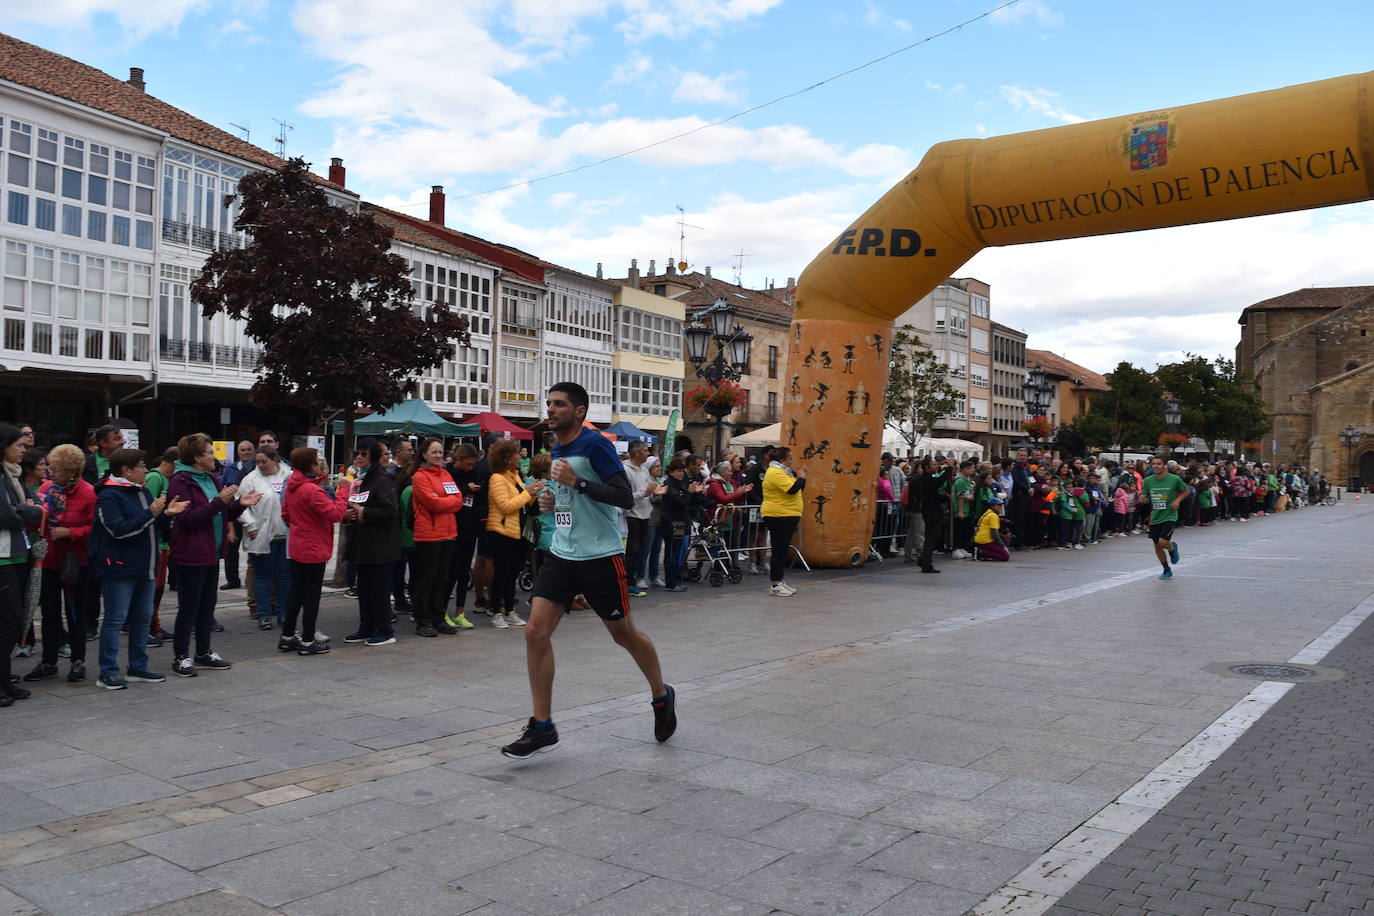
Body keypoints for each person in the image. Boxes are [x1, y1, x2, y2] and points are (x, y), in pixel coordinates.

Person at [501, 382, 674, 759]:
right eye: (549, 403)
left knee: (624, 635)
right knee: (534, 632)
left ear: (579, 411)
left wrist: (576, 482)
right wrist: (553, 500)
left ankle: (661, 696)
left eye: (559, 404)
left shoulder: (595, 445)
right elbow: (569, 496)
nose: (550, 409)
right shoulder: (556, 446)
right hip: (562, 553)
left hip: (600, 556)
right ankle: (542, 726)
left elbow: (623, 497)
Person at [90, 449, 187, 690]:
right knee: (115, 619)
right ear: (126, 470)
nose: (145, 470)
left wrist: (167, 514)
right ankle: (107, 672)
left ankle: (137, 666)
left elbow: (151, 524)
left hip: (145, 566)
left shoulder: (141, 491)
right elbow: (119, 529)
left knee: (142, 619)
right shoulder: (108, 495)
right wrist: (150, 513)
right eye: (141, 466)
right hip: (119, 567)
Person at [166, 433, 261, 677]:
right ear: (197, 457)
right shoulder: (181, 482)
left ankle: (203, 652)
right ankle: (181, 656)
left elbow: (222, 511)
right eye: (209, 452)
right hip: (190, 553)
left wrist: (240, 504)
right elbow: (187, 519)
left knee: (207, 606)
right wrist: (219, 502)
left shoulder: (211, 478)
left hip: (211, 552)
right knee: (189, 607)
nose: (213, 456)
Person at [25, 444, 95, 684]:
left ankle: (78, 660)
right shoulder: (46, 489)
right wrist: (32, 514)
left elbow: (94, 528)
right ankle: (49, 661)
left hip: (75, 560)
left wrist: (71, 532)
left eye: (56, 469)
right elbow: (35, 523)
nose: (50, 473)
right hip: (49, 559)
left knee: (75, 612)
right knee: (49, 613)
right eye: (51, 468)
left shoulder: (87, 492)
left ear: (72, 471)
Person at [278, 447, 349, 655]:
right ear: (310, 465)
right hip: (313, 547)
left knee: (297, 593)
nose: (320, 464)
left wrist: (302, 523)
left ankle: (287, 636)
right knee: (311, 595)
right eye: (317, 461)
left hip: (298, 545)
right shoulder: (311, 490)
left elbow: (285, 515)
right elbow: (335, 514)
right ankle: (308, 640)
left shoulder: (292, 486)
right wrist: (344, 490)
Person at [1, 424, 45, 706]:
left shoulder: (13, 476)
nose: (23, 450)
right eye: (18, 445)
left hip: (18, 553)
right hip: (3, 556)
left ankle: (5, 680)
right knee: (10, 621)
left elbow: (33, 508)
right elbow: (5, 516)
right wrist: (26, 512)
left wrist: (24, 510)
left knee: (13, 621)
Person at [342, 439, 400, 647]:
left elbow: (390, 510)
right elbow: (356, 506)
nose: (358, 457)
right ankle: (366, 628)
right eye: (357, 453)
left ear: (373, 456)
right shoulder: (361, 479)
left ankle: (385, 630)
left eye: (363, 454)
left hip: (380, 545)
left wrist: (363, 512)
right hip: (363, 544)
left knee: (379, 590)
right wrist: (349, 514)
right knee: (365, 589)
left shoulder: (381, 480)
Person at [486, 438, 544, 628]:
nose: (519, 456)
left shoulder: (515, 476)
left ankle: (510, 610)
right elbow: (506, 506)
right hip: (502, 532)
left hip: (518, 531)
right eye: (516, 454)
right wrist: (527, 493)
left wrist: (533, 493)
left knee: (512, 573)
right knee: (501, 573)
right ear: (507, 458)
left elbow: (523, 502)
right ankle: (496, 612)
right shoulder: (497, 478)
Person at [409, 438, 464, 637]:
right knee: (427, 579)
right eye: (434, 452)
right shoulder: (419, 477)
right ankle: (422, 620)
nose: (438, 455)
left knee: (442, 578)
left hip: (448, 533)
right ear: (424, 454)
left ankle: (438, 618)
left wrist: (442, 500)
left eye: (440, 452)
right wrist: (448, 502)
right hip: (429, 535)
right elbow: (432, 503)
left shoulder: (446, 474)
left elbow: (459, 500)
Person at [237, 447, 292, 630]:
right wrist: (250, 525)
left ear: (274, 460)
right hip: (261, 536)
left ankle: (284, 613)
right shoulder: (250, 479)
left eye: (264, 461)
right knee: (262, 577)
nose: (260, 465)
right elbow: (240, 505)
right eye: (258, 462)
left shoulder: (289, 475)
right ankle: (264, 614)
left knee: (284, 577)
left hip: (285, 535)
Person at [443, 443, 483, 631]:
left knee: (463, 572)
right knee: (450, 572)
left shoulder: (474, 473)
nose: (470, 467)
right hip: (452, 529)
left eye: (473, 464)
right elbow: (448, 495)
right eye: (468, 464)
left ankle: (460, 612)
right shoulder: (448, 473)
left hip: (470, 527)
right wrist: (466, 489)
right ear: (458, 459)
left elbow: (480, 497)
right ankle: (442, 611)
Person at [143, 447, 179, 641]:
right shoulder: (155, 478)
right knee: (154, 587)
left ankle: (152, 624)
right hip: (155, 542)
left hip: (163, 542)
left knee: (158, 586)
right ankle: (150, 626)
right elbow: (148, 510)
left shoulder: (167, 479)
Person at [760, 446, 805, 595]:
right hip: (778, 515)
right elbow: (792, 489)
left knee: (782, 551)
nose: (792, 461)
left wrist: (801, 478)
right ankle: (775, 584)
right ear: (782, 460)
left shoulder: (785, 472)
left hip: (786, 515)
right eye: (790, 458)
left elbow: (799, 489)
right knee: (779, 551)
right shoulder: (775, 472)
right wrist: (801, 476)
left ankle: (779, 580)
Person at [1140, 456, 1188, 580]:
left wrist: (1177, 500)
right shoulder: (1148, 480)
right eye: (1154, 464)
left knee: (1163, 542)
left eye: (1159, 464)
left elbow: (1186, 491)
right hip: (1155, 516)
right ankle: (1166, 569)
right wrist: (1143, 499)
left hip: (1169, 515)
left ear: (1165, 465)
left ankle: (1172, 548)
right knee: (1157, 545)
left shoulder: (1174, 479)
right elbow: (1144, 496)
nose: (1156, 466)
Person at [657, 458, 699, 593]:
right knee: (671, 553)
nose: (681, 474)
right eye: (678, 471)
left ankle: (676, 580)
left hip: (680, 522)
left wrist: (694, 492)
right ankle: (671, 582)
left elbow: (687, 502)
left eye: (682, 471)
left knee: (678, 552)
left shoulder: (680, 484)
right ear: (671, 471)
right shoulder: (668, 485)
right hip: (671, 523)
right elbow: (680, 502)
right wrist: (689, 492)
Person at [219, 440, 255, 591]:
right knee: (231, 548)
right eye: (243, 450)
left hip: (253, 514)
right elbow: (223, 491)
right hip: (234, 514)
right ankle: (232, 579)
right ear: (238, 452)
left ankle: (251, 579)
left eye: (248, 449)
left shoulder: (257, 467)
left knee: (254, 548)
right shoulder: (230, 470)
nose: (246, 452)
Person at [621, 441, 655, 599]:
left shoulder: (644, 470)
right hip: (632, 516)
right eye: (646, 450)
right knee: (631, 552)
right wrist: (645, 493)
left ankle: (633, 581)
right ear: (637, 453)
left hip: (645, 515)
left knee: (640, 551)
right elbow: (626, 497)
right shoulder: (626, 470)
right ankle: (628, 583)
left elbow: (648, 490)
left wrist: (655, 492)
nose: (648, 453)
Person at [915, 458, 949, 573]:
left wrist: (945, 497)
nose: (936, 466)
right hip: (931, 513)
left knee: (932, 538)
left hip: (932, 511)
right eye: (934, 465)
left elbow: (933, 494)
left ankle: (923, 560)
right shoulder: (926, 479)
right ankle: (926, 564)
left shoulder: (928, 478)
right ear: (927, 467)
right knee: (931, 539)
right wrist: (949, 468)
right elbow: (939, 482)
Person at [973, 495, 1010, 561]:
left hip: (979, 539)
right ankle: (981, 552)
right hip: (985, 540)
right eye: (998, 505)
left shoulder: (988, 512)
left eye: (1001, 505)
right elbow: (994, 534)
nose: (1001, 507)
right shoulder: (993, 516)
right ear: (992, 506)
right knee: (1005, 556)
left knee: (1004, 539)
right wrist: (1003, 546)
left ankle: (983, 551)